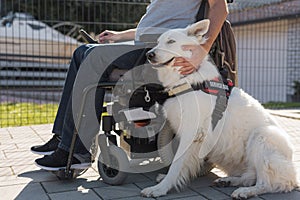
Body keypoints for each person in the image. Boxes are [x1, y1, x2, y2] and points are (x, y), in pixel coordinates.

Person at [31, 0, 229, 170]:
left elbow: (220, 7)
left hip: (160, 50)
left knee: (91, 57)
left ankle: (75, 152)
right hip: (146, 44)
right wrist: (120, 35)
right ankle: (62, 138)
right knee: (81, 52)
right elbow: (153, 26)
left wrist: (201, 50)